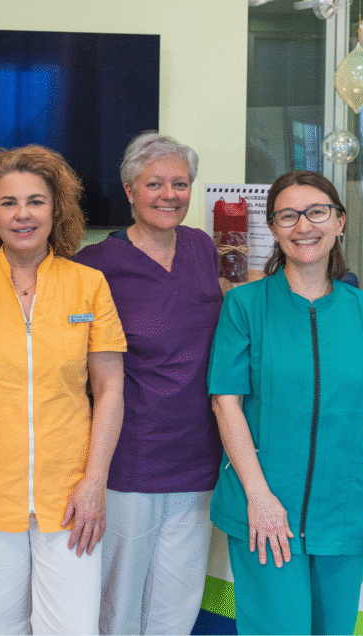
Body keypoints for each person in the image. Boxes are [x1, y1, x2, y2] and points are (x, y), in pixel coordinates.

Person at [208, 170, 363, 635]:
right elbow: (226, 404)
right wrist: (259, 496)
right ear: (274, 229)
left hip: (346, 509)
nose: (303, 226)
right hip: (266, 510)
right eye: (288, 216)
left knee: (334, 629)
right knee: (276, 628)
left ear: (340, 222)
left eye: (316, 212)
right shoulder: (246, 305)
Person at [0, 145, 126, 635]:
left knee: (73, 627)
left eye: (36, 201)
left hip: (70, 492)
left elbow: (110, 390)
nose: (22, 214)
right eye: (8, 203)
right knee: (1, 626)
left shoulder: (89, 284)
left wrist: (94, 482)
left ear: (56, 209)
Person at [72, 132, 223, 635]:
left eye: (180, 184)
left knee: (177, 607)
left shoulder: (203, 249)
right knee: (118, 607)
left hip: (197, 459)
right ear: (129, 189)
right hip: (128, 460)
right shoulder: (94, 264)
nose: (169, 194)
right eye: (155, 183)